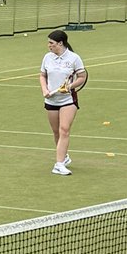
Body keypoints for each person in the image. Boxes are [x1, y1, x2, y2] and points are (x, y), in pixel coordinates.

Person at [39, 30, 87, 176]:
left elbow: (82, 77)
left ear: (60, 43)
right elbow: (42, 75)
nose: (49, 46)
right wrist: (44, 89)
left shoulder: (74, 58)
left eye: (51, 43)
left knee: (64, 129)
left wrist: (69, 87)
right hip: (51, 99)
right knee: (56, 132)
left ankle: (58, 164)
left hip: (68, 100)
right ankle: (64, 156)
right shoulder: (47, 57)